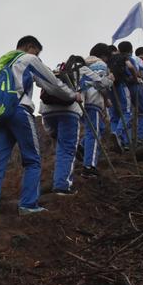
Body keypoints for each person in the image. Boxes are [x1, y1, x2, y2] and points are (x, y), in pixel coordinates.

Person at [0, 36, 80, 229]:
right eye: (37, 52)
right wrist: (73, 95)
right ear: (31, 48)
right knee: (32, 159)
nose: (38, 56)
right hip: (19, 111)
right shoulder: (29, 59)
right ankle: (28, 205)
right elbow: (52, 84)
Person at [39, 53, 112, 192]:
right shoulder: (82, 69)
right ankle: (62, 186)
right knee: (67, 149)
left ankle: (60, 179)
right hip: (69, 110)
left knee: (62, 144)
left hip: (47, 112)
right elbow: (102, 84)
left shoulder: (58, 69)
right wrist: (110, 79)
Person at [80, 43, 114, 178]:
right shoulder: (100, 64)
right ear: (104, 55)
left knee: (96, 130)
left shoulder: (83, 63)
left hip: (81, 100)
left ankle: (82, 148)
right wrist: (110, 79)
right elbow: (101, 84)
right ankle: (89, 166)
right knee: (93, 132)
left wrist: (106, 100)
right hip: (93, 100)